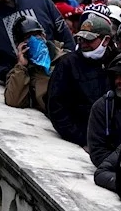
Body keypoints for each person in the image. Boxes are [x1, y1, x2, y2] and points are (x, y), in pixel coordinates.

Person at [47, 13, 114, 149]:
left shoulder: (117, 63)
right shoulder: (67, 64)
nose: (83, 43)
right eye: (81, 39)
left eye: (89, 40)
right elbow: (56, 106)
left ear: (105, 40)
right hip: (79, 139)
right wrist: (82, 138)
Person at [3, 17, 62, 111]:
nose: (34, 40)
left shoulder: (64, 58)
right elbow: (14, 100)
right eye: (28, 38)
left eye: (36, 35)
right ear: (21, 45)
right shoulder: (24, 71)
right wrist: (21, 66)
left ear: (43, 36)